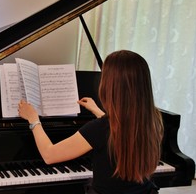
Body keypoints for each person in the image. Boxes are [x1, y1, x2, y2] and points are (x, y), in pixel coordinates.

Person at [18, 50, 164, 194]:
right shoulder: (153, 119)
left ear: (110, 86)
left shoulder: (99, 129)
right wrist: (97, 111)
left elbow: (49, 155)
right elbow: (118, 127)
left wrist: (33, 119)